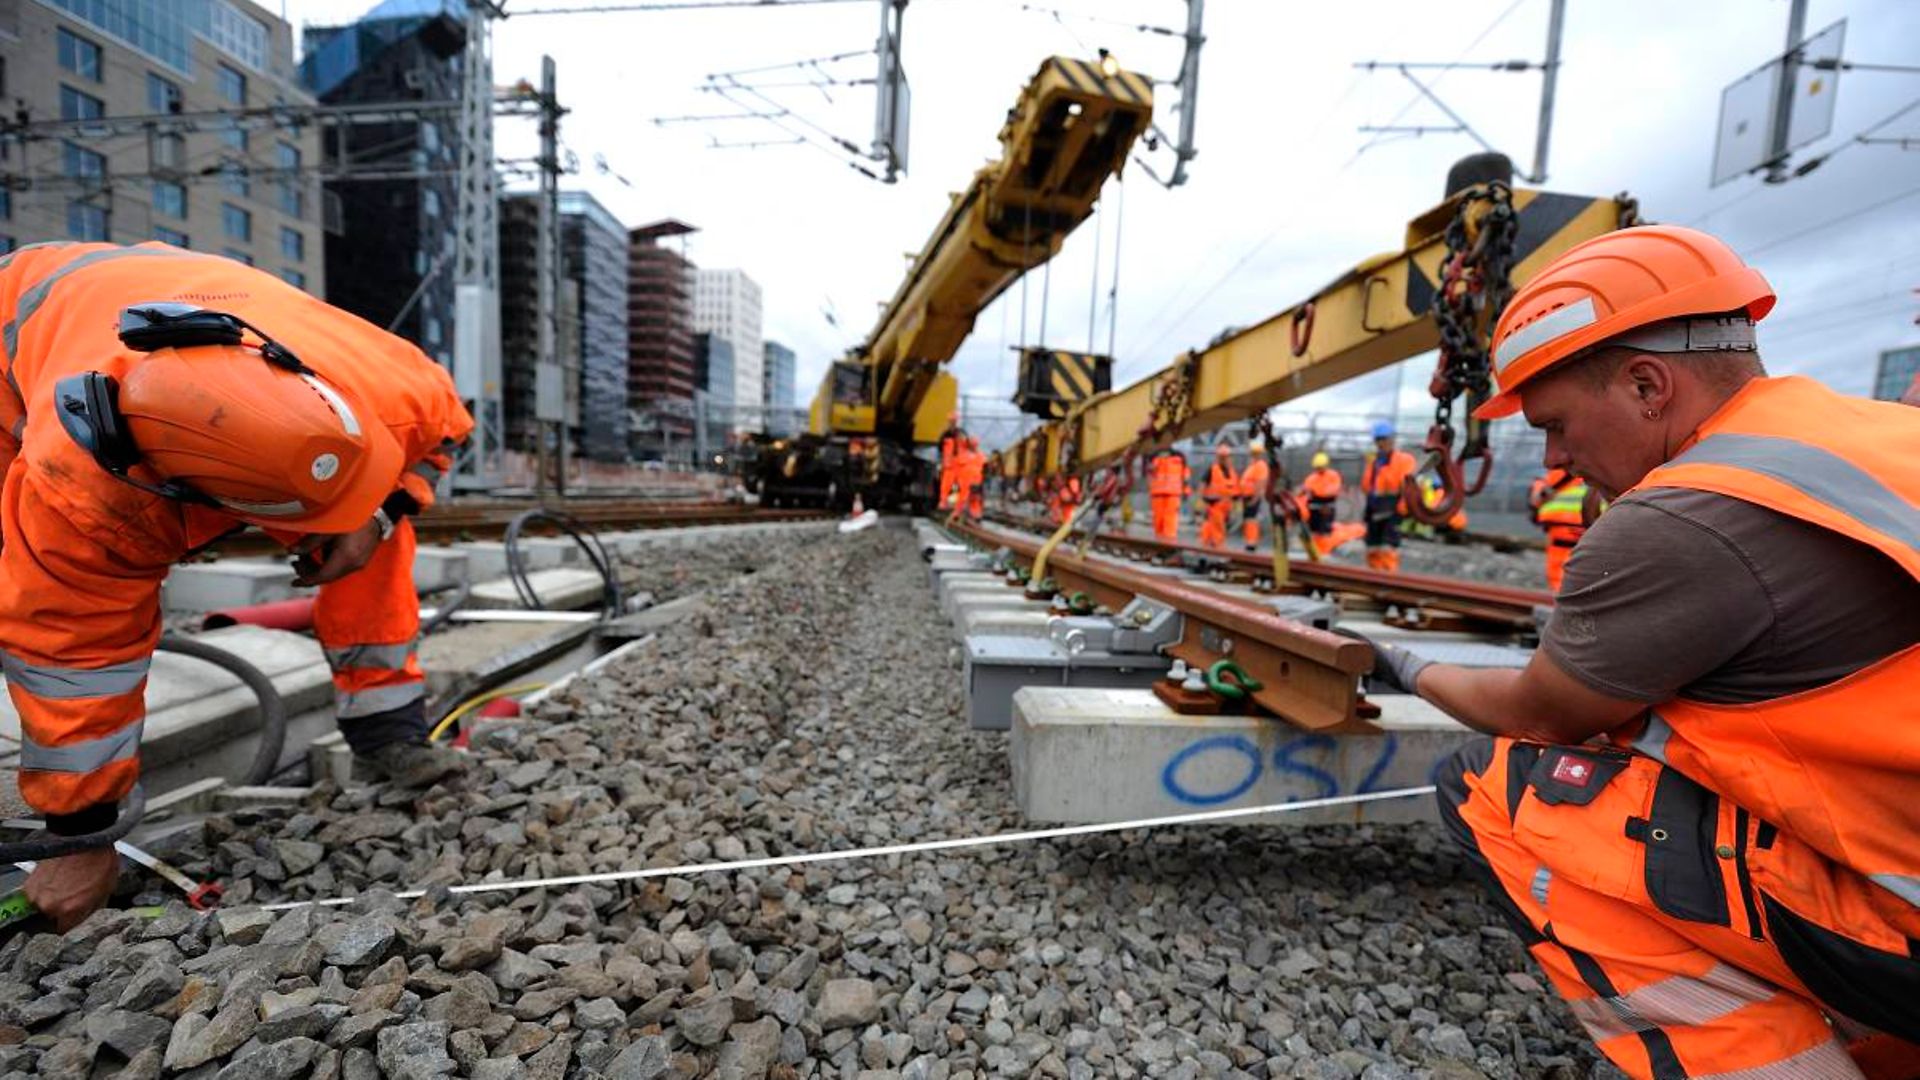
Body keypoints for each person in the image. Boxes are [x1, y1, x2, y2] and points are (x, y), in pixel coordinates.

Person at [1351, 225, 1920, 1079]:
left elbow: (1544, 711)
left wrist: (1407, 665)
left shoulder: (1687, 515)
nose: (1555, 458)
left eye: (1557, 425)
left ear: (1648, 384)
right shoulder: (1876, 436)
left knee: (1498, 785)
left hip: (1903, 925)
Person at [0, 241, 476, 930]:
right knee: (24, 578)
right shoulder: (86, 495)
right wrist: (80, 835)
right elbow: (72, 651)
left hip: (167, 303)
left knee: (377, 542)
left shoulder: (391, 385)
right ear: (195, 501)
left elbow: (448, 431)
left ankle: (387, 729)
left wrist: (379, 512)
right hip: (15, 343)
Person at [1361, 421, 1418, 571]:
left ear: (1392, 440)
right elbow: (1367, 486)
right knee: (1372, 545)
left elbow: (1407, 485)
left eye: (1384, 439)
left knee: (1388, 545)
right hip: (1375, 507)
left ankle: (1387, 577)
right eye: (1378, 440)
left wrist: (1403, 506)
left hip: (1393, 507)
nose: (1381, 443)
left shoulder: (1404, 460)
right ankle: (1373, 576)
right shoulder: (1374, 461)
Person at [1528, 467, 1596, 592]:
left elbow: (1538, 496)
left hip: (1562, 525)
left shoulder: (1562, 468)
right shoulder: (1594, 469)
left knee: (1560, 573)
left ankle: (1563, 601)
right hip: (1589, 524)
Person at [1297, 451, 1345, 556]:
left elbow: (1333, 490)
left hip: (1327, 507)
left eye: (1321, 467)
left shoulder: (1333, 476)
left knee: (1325, 531)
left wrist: (1316, 491)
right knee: (1314, 531)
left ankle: (1325, 551)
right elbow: (1304, 491)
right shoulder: (1311, 478)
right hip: (1313, 509)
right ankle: (1316, 551)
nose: (1319, 470)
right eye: (1317, 467)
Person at [1199, 443, 1238, 549]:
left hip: (1226, 507)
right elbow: (1202, 485)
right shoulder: (1212, 469)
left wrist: (1235, 508)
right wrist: (1202, 502)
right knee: (1216, 528)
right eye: (1221, 457)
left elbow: (1235, 492)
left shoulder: (1232, 472)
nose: (1224, 459)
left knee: (1217, 528)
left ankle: (1210, 546)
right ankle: (1217, 547)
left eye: (1226, 457)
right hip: (1214, 505)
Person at [1148, 448, 1189, 541]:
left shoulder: (1179, 457)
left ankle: (1168, 543)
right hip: (1158, 494)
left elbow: (1185, 476)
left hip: (1173, 494)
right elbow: (1150, 473)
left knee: (1170, 519)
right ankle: (1159, 543)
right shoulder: (1154, 456)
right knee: (1158, 520)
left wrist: (1186, 491)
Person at [1238, 440, 1271, 552]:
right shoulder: (1252, 465)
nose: (1254, 455)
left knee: (1252, 519)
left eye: (1256, 453)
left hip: (1253, 497)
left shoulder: (1260, 466)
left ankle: (1252, 542)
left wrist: (1255, 498)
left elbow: (1260, 482)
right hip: (1247, 496)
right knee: (1248, 519)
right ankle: (1249, 540)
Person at [936, 411, 966, 509]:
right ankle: (944, 502)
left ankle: (954, 503)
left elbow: (966, 446)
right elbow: (940, 447)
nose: (952, 423)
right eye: (951, 421)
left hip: (959, 464)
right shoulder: (945, 434)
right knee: (946, 484)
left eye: (954, 421)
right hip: (949, 464)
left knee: (957, 485)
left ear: (956, 421)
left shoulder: (961, 433)